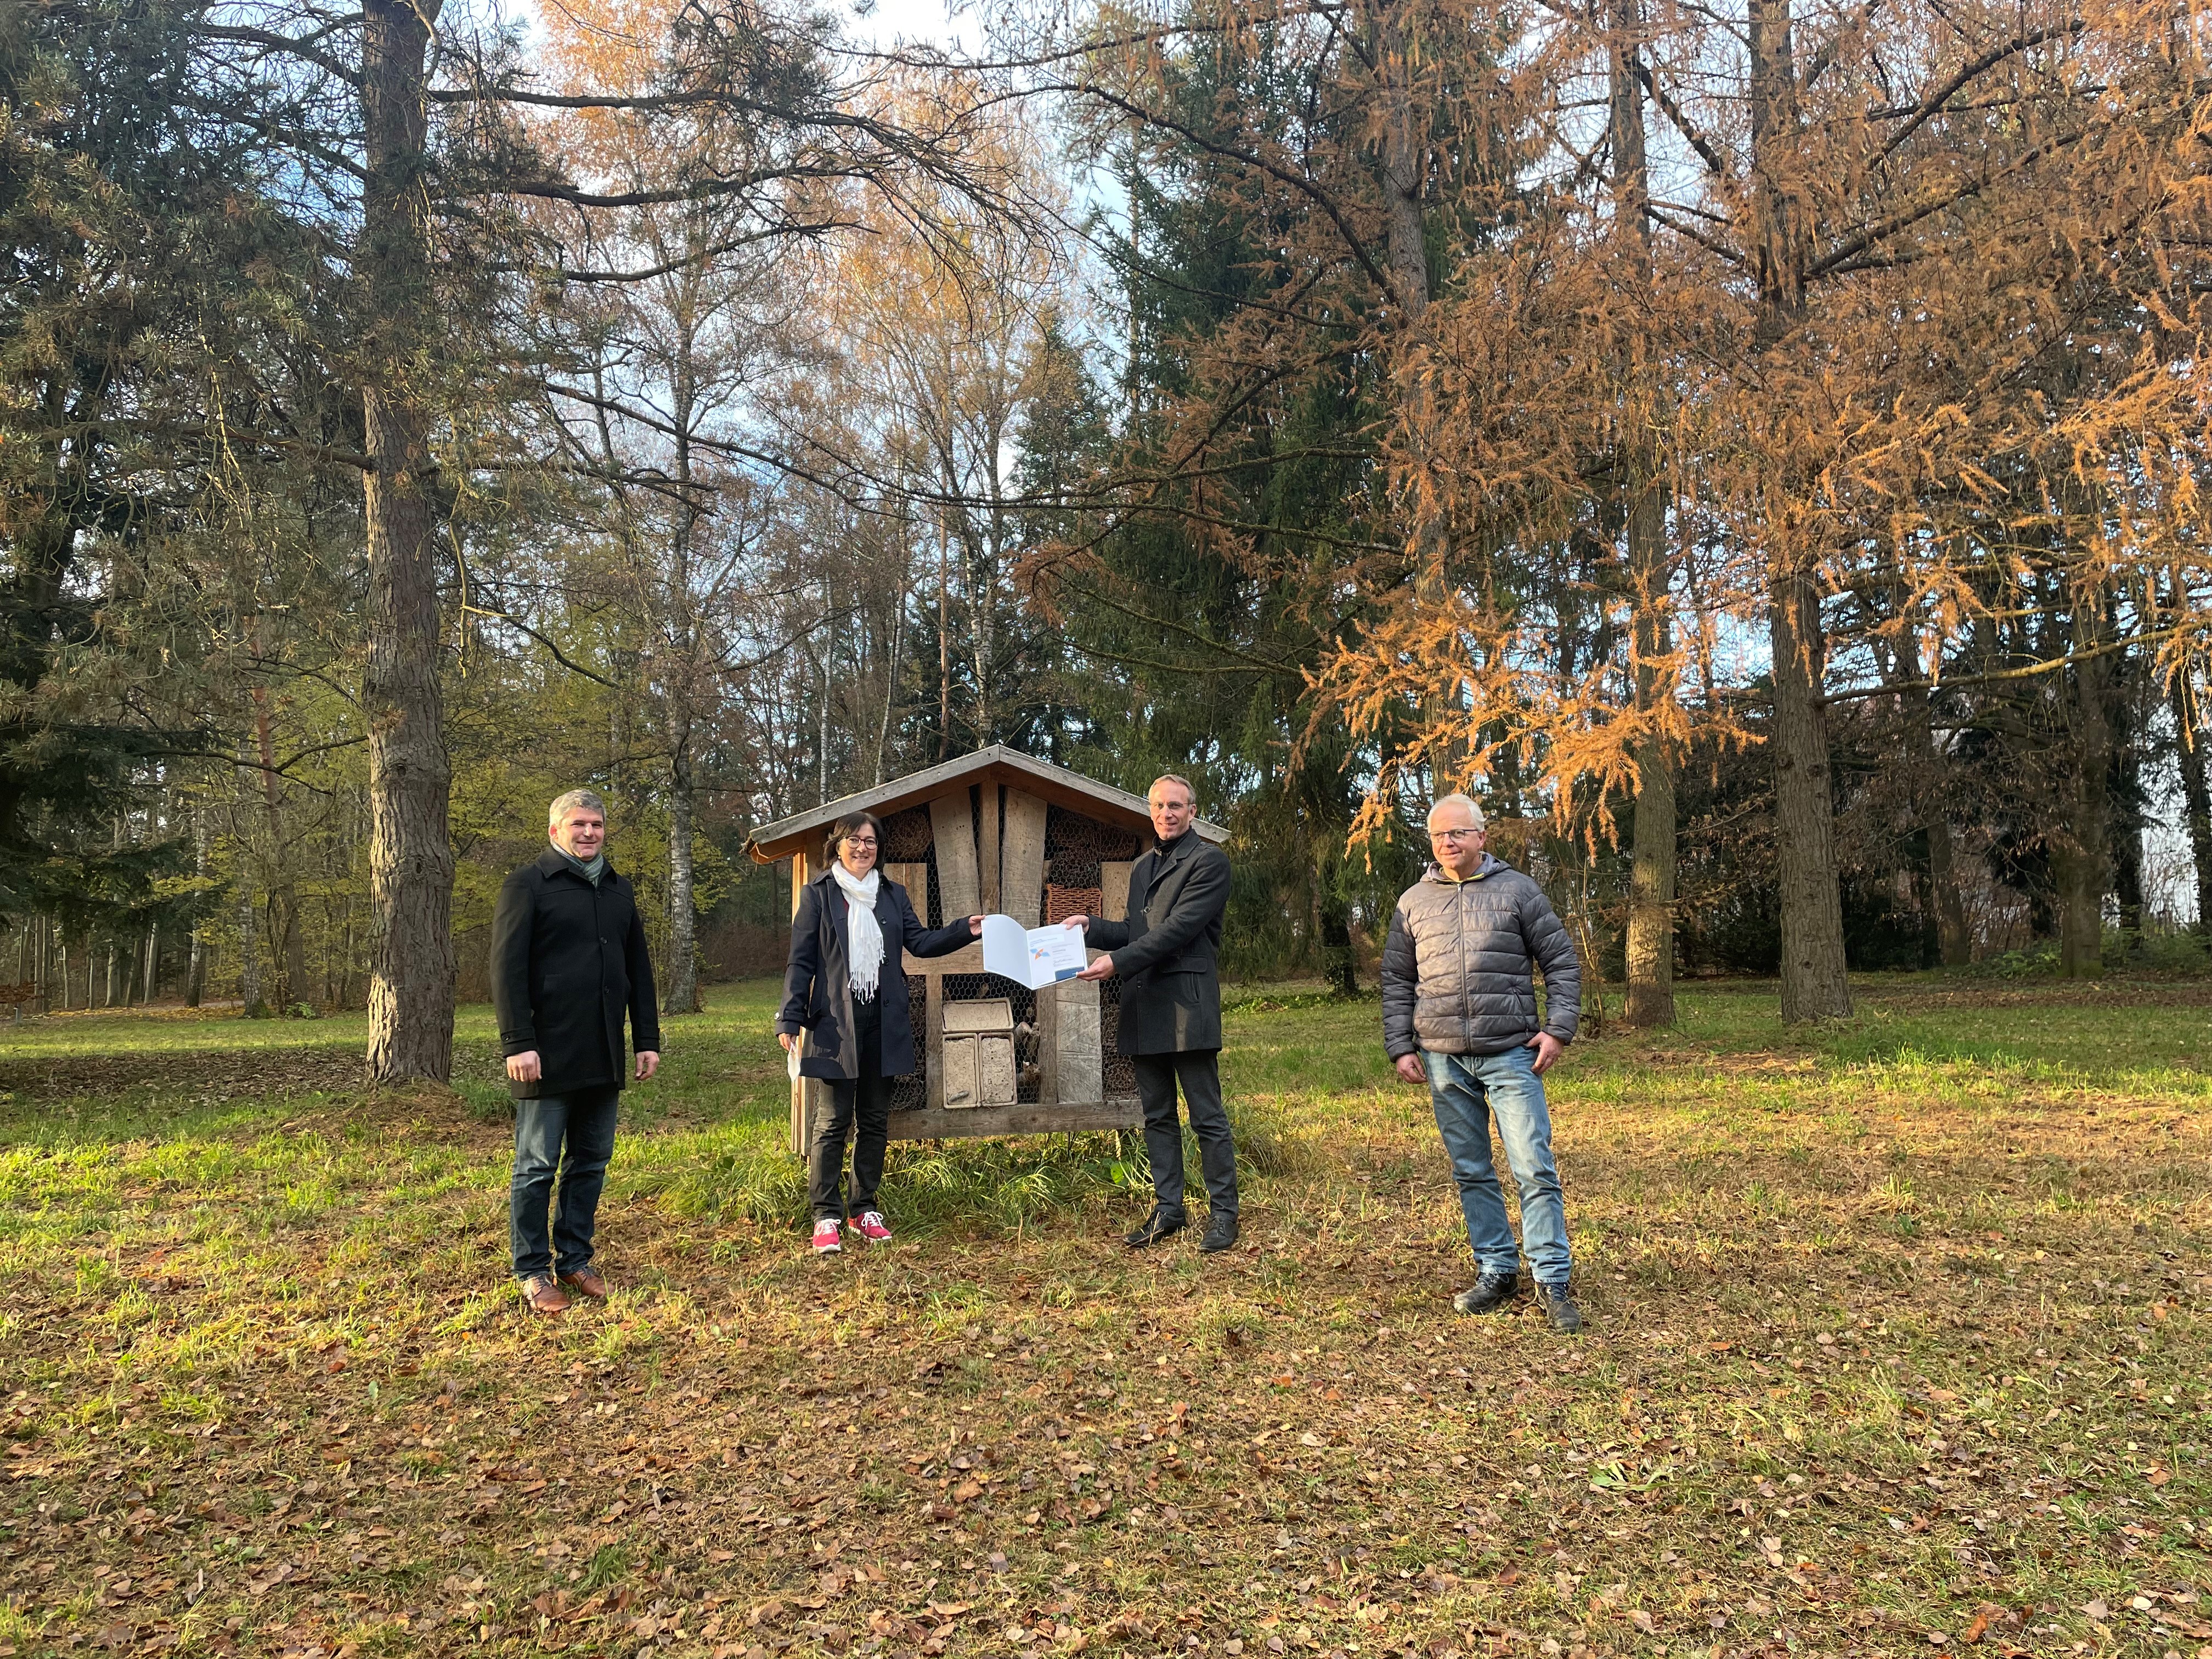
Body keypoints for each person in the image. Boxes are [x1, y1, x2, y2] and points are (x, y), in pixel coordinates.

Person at [1380, 792, 1585, 1332]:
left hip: (1512, 1054)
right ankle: (1496, 1270)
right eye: (1438, 835)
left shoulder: (1518, 891)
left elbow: (1561, 960)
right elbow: (1398, 981)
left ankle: (1552, 1280)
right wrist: (1401, 1045)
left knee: (1533, 1168)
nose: (1448, 842)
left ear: (1481, 838)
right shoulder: (1412, 902)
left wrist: (1558, 1030)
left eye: (1458, 833)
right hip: (1443, 1060)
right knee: (1472, 1172)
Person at [779, 811, 981, 1254]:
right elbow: (802, 962)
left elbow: (921, 943)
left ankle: (862, 1208)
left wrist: (964, 930)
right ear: (838, 844)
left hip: (884, 1021)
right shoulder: (818, 896)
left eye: (871, 841)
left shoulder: (892, 895)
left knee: (874, 1120)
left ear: (879, 848)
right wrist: (789, 1019)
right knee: (832, 1120)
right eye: (854, 839)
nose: (863, 848)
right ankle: (826, 1214)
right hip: (836, 1023)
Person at [492, 789, 662, 1317]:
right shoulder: (528, 885)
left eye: (596, 825)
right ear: (555, 832)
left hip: (603, 1051)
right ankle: (532, 1268)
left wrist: (647, 1039)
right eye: (578, 825)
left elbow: (639, 970)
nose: (589, 833)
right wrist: (518, 1044)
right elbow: (506, 971)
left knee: (590, 1162)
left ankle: (575, 1257)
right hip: (544, 1053)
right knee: (537, 1166)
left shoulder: (617, 889)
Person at [1063, 775, 1239, 1252]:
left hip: (1186, 1008)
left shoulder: (1209, 862)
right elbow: (1138, 930)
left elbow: (1177, 931)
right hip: (1144, 1007)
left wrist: (1116, 962)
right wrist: (1093, 927)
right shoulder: (1142, 866)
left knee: (1206, 1116)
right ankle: (1169, 1210)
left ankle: (1224, 1215)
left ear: (1193, 811)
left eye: (1177, 806)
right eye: (1160, 806)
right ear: (1150, 811)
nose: (1167, 813)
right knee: (1157, 1116)